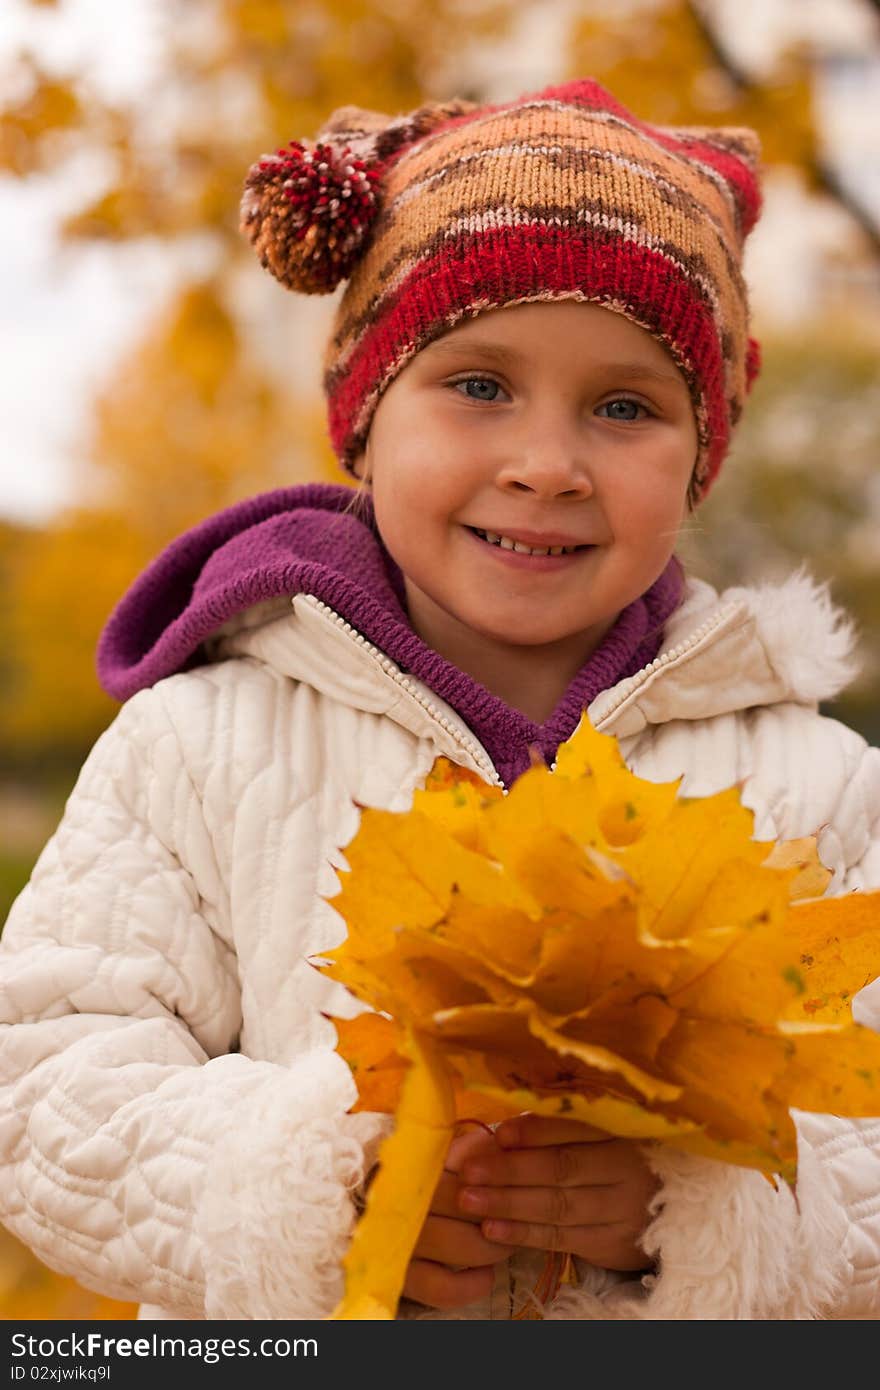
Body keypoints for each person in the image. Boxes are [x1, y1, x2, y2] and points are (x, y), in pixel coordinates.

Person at [1, 76, 878, 1323]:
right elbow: (43, 1068)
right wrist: (305, 1194)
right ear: (363, 423)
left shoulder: (817, 785)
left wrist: (697, 1206)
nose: (545, 463)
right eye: (477, 384)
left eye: (625, 407)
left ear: (699, 460)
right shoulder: (200, 741)